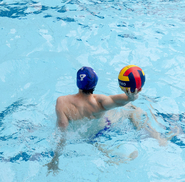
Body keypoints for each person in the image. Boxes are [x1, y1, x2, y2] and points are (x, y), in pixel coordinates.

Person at [45, 66, 175, 174]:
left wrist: (55, 159)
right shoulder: (98, 102)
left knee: (100, 148)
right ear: (95, 84)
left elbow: (62, 133)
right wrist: (131, 97)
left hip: (83, 136)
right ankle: (156, 137)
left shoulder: (61, 102)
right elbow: (119, 101)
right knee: (133, 109)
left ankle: (119, 159)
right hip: (103, 128)